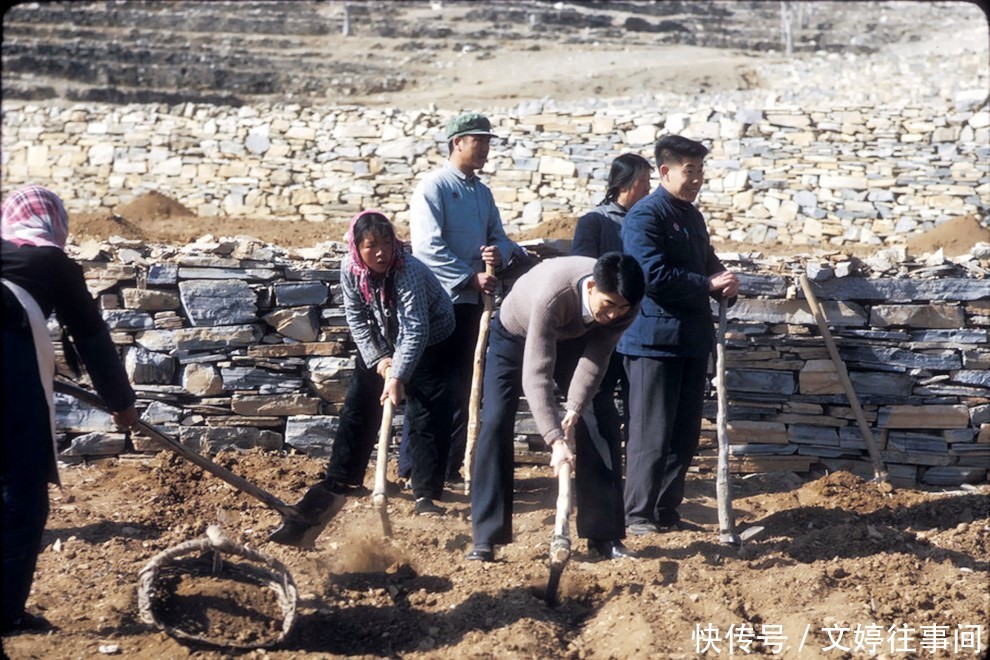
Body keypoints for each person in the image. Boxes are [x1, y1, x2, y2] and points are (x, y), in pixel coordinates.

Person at [2, 186, 139, 634]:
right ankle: (6, 615)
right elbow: (91, 337)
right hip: (9, 364)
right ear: (55, 222)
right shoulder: (53, 263)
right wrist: (121, 404)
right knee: (20, 490)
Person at [273, 210, 456, 541]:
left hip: (433, 338)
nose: (382, 252)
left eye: (387, 243)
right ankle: (342, 478)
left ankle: (425, 493)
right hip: (383, 340)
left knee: (427, 410)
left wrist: (398, 376)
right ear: (357, 247)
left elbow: (415, 328)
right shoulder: (349, 268)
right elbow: (356, 318)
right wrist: (381, 362)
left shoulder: (408, 270)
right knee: (358, 405)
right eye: (372, 245)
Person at [466, 252, 645, 563]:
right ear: (591, 287)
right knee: (495, 421)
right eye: (609, 305)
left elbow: (597, 357)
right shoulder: (554, 295)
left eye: (622, 308)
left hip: (574, 339)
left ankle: (604, 535)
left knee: (598, 418)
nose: (616, 314)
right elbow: (537, 374)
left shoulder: (627, 305)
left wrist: (575, 407)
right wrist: (556, 439)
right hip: (516, 335)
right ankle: (486, 537)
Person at [619, 135, 740, 536]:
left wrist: (725, 285)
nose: (697, 180)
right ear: (666, 171)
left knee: (684, 435)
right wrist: (706, 284)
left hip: (690, 340)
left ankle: (666, 511)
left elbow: (709, 266)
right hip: (654, 342)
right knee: (650, 434)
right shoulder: (645, 216)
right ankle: (637, 514)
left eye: (701, 171)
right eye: (690, 171)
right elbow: (651, 275)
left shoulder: (691, 217)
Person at [408, 111, 523, 488]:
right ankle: (416, 468)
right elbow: (427, 247)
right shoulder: (434, 187)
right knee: (431, 386)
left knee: (463, 385)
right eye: (480, 141)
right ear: (458, 142)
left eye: (488, 142)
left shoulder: (482, 192)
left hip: (473, 305)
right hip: (440, 301)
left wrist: (499, 255)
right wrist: (468, 276)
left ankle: (450, 466)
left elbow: (502, 238)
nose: (486, 149)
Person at [570, 153, 652, 500]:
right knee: (596, 406)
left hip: (638, 330)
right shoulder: (596, 222)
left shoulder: (650, 221)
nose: (649, 189)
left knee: (639, 411)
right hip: (602, 331)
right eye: (646, 182)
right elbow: (581, 269)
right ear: (630, 184)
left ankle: (633, 484)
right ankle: (591, 479)